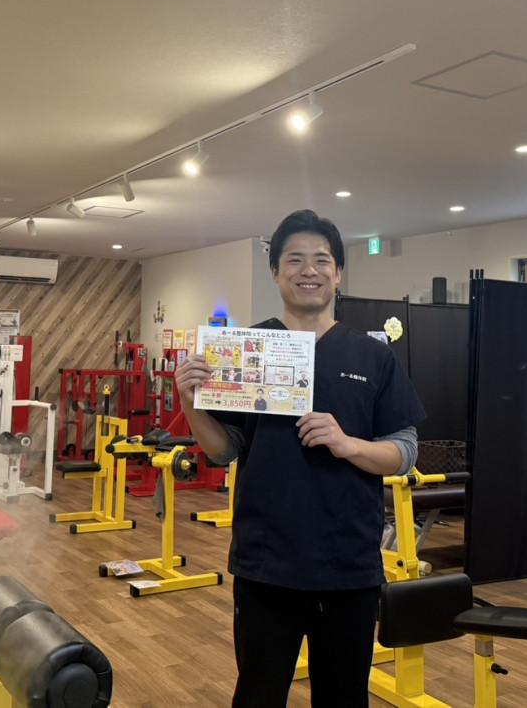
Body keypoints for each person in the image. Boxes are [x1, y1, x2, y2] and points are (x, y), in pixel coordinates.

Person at [177, 209, 424, 708]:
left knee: (343, 698)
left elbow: (403, 453)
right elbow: (224, 452)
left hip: (348, 564)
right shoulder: (247, 352)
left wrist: (348, 444)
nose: (308, 270)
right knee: (258, 695)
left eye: (321, 260)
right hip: (266, 562)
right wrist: (190, 402)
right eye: (294, 260)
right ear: (275, 272)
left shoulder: (373, 357)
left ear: (339, 273)